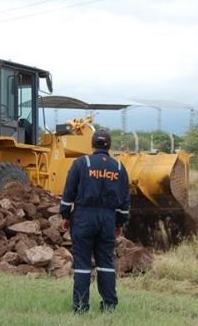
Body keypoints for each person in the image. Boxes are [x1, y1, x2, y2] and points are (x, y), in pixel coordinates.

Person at [59, 128, 130, 314]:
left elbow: (68, 193)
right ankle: (109, 306)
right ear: (110, 145)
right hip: (107, 219)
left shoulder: (81, 164)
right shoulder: (120, 168)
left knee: (82, 263)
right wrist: (120, 223)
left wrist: (65, 215)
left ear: (92, 144)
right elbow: (124, 200)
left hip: (83, 217)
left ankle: (81, 307)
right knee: (106, 263)